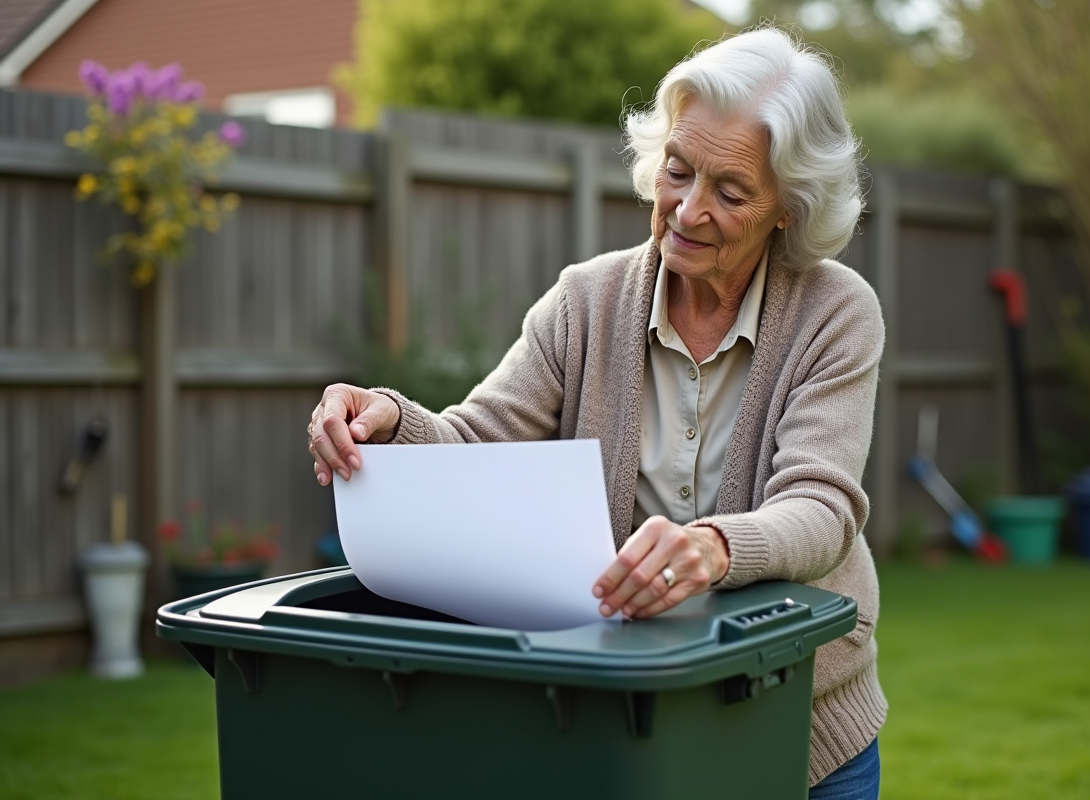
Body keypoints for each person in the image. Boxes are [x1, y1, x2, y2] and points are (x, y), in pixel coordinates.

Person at [308, 27, 885, 798]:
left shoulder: (835, 312)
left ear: (788, 207)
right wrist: (388, 418)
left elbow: (820, 508)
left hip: (798, 717)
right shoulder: (586, 302)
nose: (687, 208)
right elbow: (478, 440)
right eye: (678, 171)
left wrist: (714, 547)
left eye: (731, 191)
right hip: (633, 714)